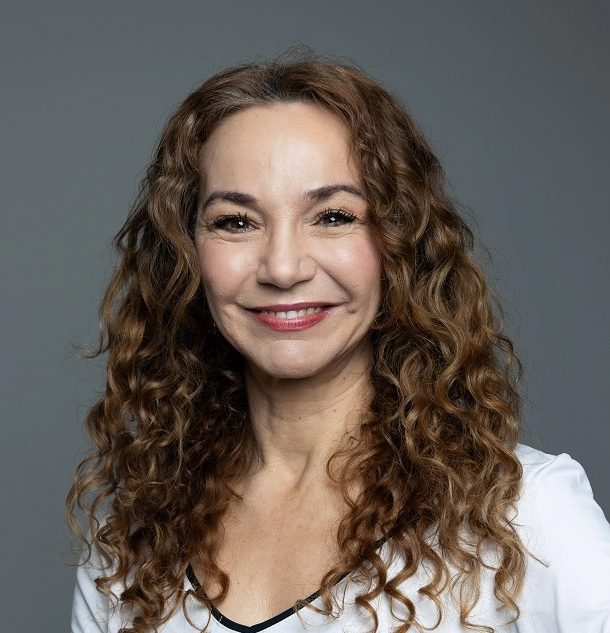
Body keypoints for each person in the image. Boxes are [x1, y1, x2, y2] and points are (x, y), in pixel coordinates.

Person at [67, 49, 610, 633]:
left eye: (332, 216)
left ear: (398, 241)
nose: (283, 268)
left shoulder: (525, 515)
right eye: (236, 222)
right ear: (186, 253)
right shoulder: (129, 545)